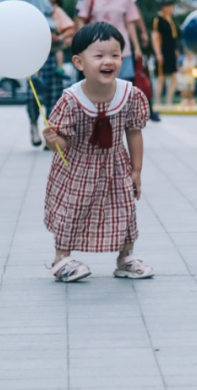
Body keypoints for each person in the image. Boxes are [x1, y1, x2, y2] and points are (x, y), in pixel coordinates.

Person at [42, 23, 154, 283]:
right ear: (79, 62)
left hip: (116, 164)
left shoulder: (129, 95)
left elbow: (134, 132)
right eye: (99, 56)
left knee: (124, 209)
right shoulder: (71, 99)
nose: (108, 61)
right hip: (77, 167)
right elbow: (62, 144)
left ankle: (126, 257)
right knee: (72, 210)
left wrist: (136, 170)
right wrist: (52, 139)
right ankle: (62, 258)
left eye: (114, 55)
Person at [21, 0, 66, 148]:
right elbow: (47, 16)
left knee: (42, 95)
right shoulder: (42, 2)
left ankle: (47, 133)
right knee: (44, 95)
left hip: (41, 53)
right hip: (42, 51)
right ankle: (40, 130)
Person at [151, 1, 179, 108]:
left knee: (174, 77)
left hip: (171, 53)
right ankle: (157, 101)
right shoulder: (158, 19)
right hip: (162, 52)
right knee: (161, 77)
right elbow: (155, 37)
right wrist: (158, 53)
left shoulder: (171, 19)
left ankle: (169, 101)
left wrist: (176, 51)